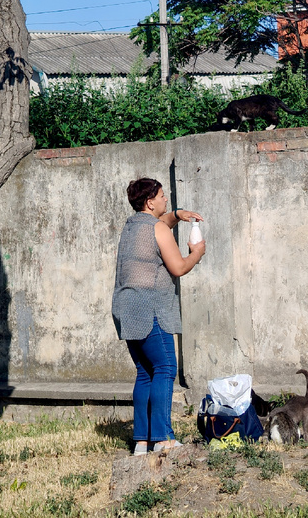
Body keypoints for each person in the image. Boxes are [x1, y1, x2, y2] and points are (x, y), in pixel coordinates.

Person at [112, 177, 205, 454]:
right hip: (150, 308)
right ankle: (163, 437)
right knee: (164, 369)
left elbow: (162, 222)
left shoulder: (131, 226)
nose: (166, 200)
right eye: (163, 197)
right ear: (150, 202)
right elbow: (177, 267)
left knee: (145, 373)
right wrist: (197, 254)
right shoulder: (157, 229)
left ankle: (142, 441)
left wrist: (178, 214)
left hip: (126, 306)